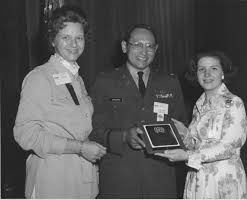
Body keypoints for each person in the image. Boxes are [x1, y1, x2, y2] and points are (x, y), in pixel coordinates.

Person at [13, 5, 106, 199]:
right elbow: (26, 135)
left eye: (78, 38)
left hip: (82, 180)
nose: (74, 44)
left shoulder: (77, 79)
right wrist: (79, 148)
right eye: (66, 37)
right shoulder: (39, 78)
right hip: (53, 181)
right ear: (52, 40)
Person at [89, 24, 187, 198]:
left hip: (161, 179)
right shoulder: (105, 81)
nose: (144, 51)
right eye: (137, 44)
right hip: (119, 179)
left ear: (156, 49)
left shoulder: (170, 82)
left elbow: (182, 128)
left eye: (150, 46)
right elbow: (93, 131)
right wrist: (124, 137)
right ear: (124, 46)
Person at [155, 51, 247, 199]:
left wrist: (187, 155)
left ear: (223, 73)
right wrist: (185, 134)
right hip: (197, 177)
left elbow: (229, 147)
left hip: (223, 181)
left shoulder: (234, 103)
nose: (207, 74)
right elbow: (197, 145)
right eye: (201, 69)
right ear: (196, 74)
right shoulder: (199, 104)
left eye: (214, 68)